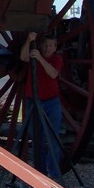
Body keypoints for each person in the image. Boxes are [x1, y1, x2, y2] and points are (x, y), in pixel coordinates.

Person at [20, 31, 63, 180]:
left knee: (53, 139)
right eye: (45, 45)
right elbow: (23, 57)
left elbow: (53, 74)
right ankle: (40, 174)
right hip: (33, 101)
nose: (48, 48)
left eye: (51, 45)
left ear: (55, 48)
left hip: (51, 102)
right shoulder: (33, 55)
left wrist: (39, 58)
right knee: (36, 139)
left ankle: (54, 175)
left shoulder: (56, 59)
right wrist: (29, 40)